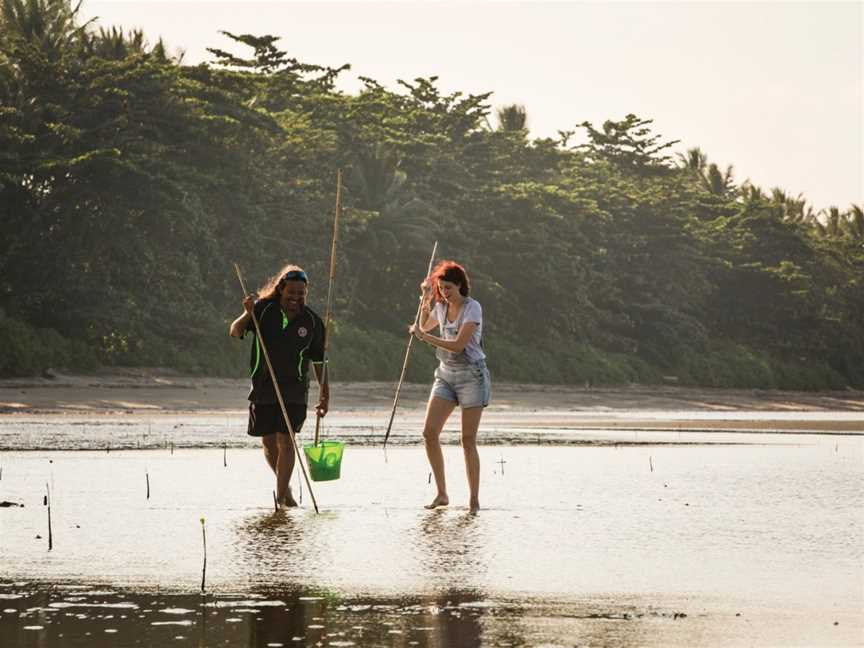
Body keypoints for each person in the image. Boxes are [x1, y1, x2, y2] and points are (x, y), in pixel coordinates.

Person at [229, 264, 329, 508]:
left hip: (294, 389)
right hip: (263, 385)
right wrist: (247, 313)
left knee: (287, 440)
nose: (296, 298)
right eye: (291, 293)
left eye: (301, 294)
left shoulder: (313, 322)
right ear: (280, 289)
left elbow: (319, 361)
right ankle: (286, 488)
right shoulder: (263, 310)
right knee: (268, 443)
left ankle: (281, 498)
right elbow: (235, 331)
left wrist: (325, 394)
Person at [409, 260, 491, 514]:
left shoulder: (472, 308)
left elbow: (457, 344)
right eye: (441, 288)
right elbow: (424, 326)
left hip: (472, 376)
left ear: (460, 286)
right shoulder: (440, 307)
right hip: (445, 375)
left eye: (449, 288)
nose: (445, 292)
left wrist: (424, 337)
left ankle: (474, 500)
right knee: (429, 433)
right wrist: (424, 302)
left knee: (467, 440)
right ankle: (442, 494)